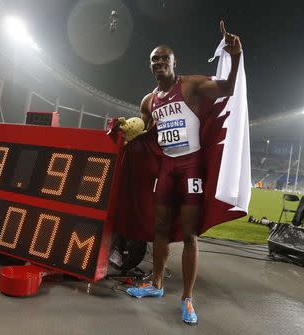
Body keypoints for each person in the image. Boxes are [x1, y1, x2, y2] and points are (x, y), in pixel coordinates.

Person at [125, 21, 242, 325]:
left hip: (190, 166)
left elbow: (227, 88)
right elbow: (147, 132)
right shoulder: (148, 102)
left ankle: (187, 298)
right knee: (160, 229)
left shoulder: (189, 85)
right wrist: (124, 133)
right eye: (155, 59)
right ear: (150, 66)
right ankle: (157, 283)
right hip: (167, 167)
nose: (159, 62)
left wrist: (236, 57)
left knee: (189, 235)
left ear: (174, 63)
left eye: (165, 58)